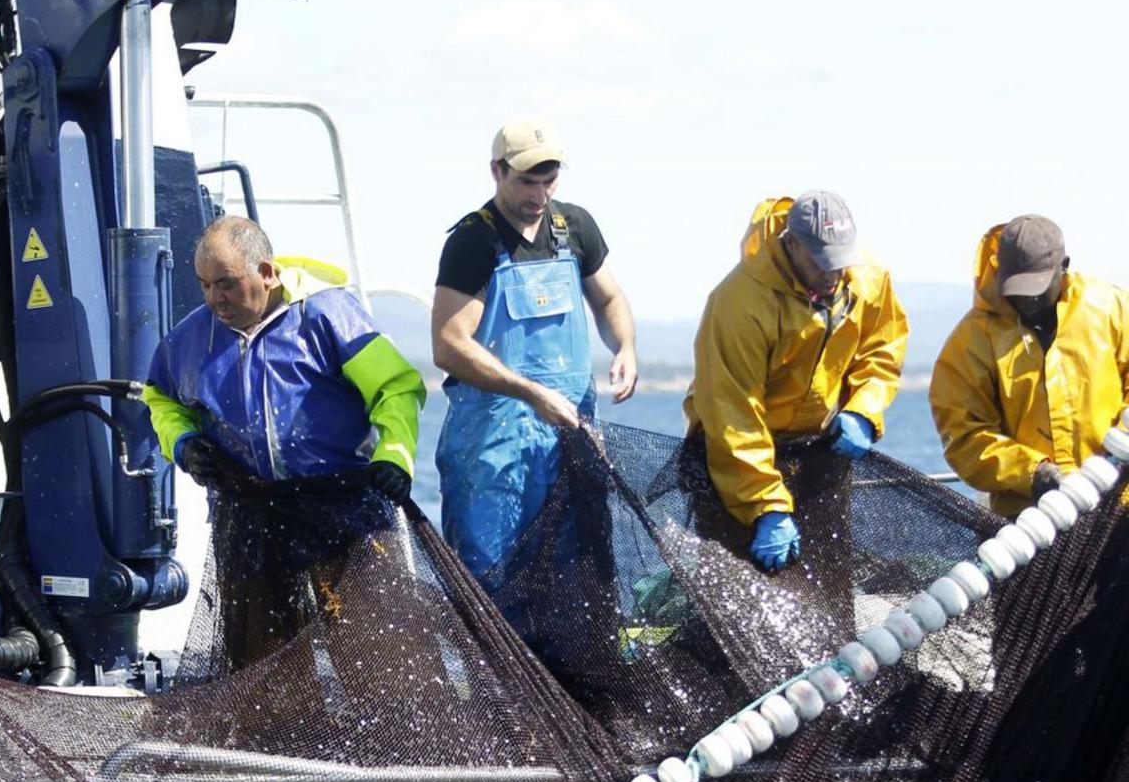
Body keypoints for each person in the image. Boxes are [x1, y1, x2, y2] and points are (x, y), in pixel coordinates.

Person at [431, 116, 637, 584]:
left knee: (574, 575)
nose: (539, 196)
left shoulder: (575, 227)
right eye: (527, 181)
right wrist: (528, 393)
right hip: (492, 449)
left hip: (568, 437)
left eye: (549, 182)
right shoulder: (474, 241)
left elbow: (609, 299)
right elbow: (448, 344)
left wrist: (624, 346)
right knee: (492, 578)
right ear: (497, 171)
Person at [685, 191, 909, 571]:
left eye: (840, 262)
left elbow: (882, 350)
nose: (832, 274)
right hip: (735, 463)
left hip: (816, 455)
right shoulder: (739, 302)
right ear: (791, 243)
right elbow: (732, 413)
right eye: (821, 262)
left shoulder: (868, 278)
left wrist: (864, 409)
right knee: (742, 595)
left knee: (825, 584)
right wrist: (766, 504)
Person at [143, 216, 425, 500]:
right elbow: (161, 399)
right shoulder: (188, 340)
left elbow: (395, 388)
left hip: (344, 503)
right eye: (205, 285)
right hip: (245, 510)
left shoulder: (329, 315)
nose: (214, 299)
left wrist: (393, 456)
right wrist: (183, 443)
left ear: (266, 272)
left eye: (225, 284)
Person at [930, 216, 1129, 518]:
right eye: (1017, 287)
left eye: (1037, 287)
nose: (1028, 298)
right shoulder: (970, 342)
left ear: (1064, 266)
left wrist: (1119, 452)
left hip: (1117, 509)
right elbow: (965, 437)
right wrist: (1032, 473)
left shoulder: (1112, 308)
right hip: (1028, 522)